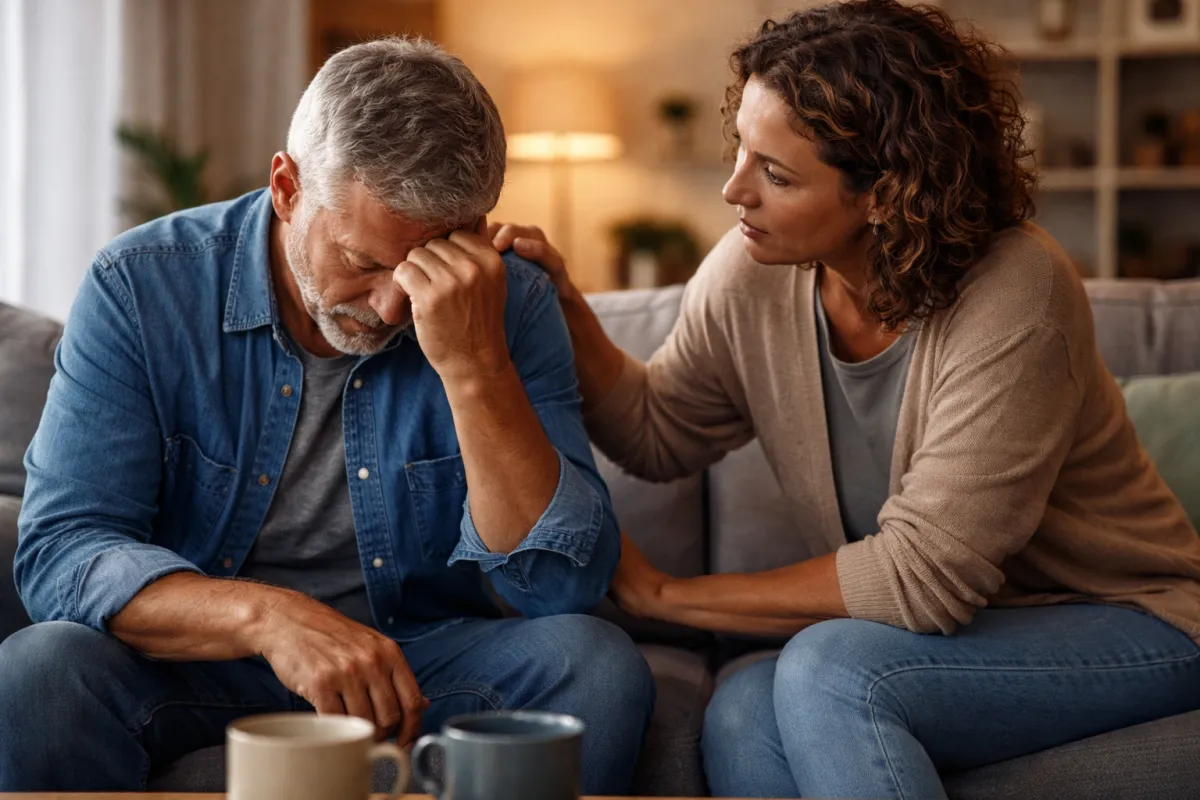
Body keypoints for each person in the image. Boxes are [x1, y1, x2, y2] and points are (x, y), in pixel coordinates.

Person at [489, 2, 1200, 798]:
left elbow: (921, 579)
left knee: (832, 668)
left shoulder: (1017, 295)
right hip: (955, 636)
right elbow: (659, 433)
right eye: (741, 149)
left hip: (1131, 620)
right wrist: (565, 307)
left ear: (887, 194)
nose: (733, 190)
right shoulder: (751, 274)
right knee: (742, 712)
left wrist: (666, 595)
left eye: (776, 174)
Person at [0, 38, 653, 793]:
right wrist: (268, 620)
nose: (391, 308)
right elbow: (62, 550)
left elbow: (561, 587)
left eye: (421, 269)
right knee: (38, 672)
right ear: (287, 188)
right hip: (197, 661)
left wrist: (475, 367)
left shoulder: (511, 301)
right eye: (364, 263)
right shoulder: (141, 287)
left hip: (418, 661)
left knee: (595, 667)